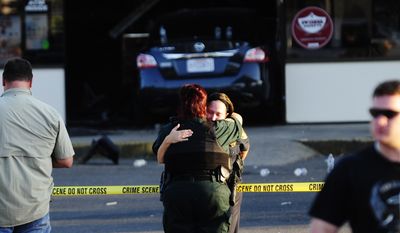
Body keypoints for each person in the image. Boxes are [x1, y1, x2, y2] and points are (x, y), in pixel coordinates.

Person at [309, 80, 400, 233]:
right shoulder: (351, 169)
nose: (380, 121)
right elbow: (321, 228)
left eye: (389, 114)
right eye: (375, 114)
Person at [153, 84, 243, 233]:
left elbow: (160, 158)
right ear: (204, 105)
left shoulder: (169, 129)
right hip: (213, 193)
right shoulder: (219, 128)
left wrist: (169, 140)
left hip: (177, 193)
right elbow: (237, 120)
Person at [0, 58, 75, 232]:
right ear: (31, 82)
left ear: (4, 80)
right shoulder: (50, 114)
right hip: (35, 208)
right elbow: (66, 161)